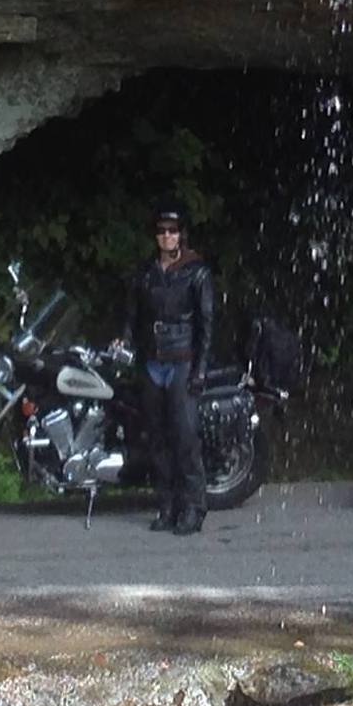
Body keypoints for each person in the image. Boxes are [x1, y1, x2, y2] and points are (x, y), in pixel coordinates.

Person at [124, 197, 216, 535]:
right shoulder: (146, 273)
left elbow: (207, 325)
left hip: (182, 362)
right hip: (152, 362)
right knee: (157, 439)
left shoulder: (197, 272)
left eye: (172, 230)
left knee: (185, 438)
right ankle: (167, 505)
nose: (167, 236)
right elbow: (132, 316)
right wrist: (124, 341)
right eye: (162, 230)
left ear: (182, 234)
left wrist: (200, 370)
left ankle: (194, 508)